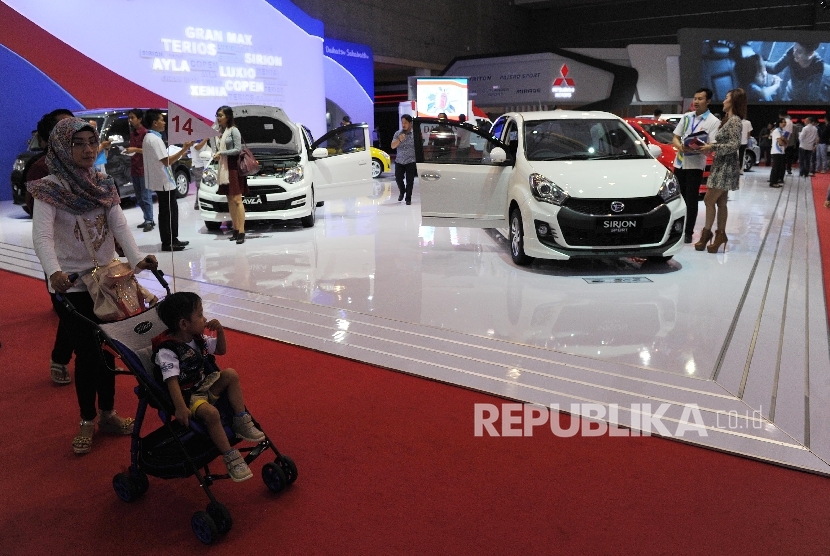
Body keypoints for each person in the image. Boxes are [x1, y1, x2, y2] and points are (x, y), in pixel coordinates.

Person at [30, 117, 159, 454]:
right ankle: (87, 418)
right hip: (72, 286)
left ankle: (109, 414)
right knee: (87, 355)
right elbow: (42, 238)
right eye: (79, 143)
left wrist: (136, 259)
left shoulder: (102, 182)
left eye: (92, 142)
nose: (88, 149)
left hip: (109, 280)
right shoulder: (49, 188)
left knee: (109, 350)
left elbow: (119, 226)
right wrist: (53, 272)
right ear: (61, 146)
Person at [153, 291, 265, 482]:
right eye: (199, 314)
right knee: (212, 414)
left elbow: (221, 350)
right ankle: (230, 456)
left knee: (230, 374)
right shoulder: (167, 351)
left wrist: (220, 331)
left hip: (204, 385)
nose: (204, 318)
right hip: (189, 396)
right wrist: (180, 407)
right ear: (183, 324)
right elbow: (171, 381)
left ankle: (241, 419)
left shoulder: (196, 338)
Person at [23, 109, 76, 384]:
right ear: (48, 138)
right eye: (64, 126)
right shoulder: (40, 169)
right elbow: (41, 223)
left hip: (91, 250)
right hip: (61, 253)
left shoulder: (84, 162)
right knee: (70, 310)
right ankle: (60, 357)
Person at [695, 88, 747, 254]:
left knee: (708, 200)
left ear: (733, 101)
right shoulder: (728, 119)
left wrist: (713, 146)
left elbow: (734, 145)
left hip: (725, 167)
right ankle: (719, 235)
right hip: (722, 164)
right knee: (721, 202)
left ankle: (708, 233)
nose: (723, 101)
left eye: (726, 98)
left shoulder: (735, 121)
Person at [672, 87, 722, 244]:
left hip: (695, 164)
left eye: (700, 99)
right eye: (695, 98)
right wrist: (680, 146)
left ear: (708, 101)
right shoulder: (687, 117)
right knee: (677, 198)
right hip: (679, 162)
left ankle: (688, 231)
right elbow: (675, 137)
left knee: (691, 199)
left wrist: (699, 147)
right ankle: (675, 228)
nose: (696, 102)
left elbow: (713, 145)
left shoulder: (713, 121)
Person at [142, 109, 193, 252]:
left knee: (167, 211)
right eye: (162, 119)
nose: (164, 122)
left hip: (161, 180)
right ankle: (169, 241)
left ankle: (171, 239)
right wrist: (184, 149)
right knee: (168, 212)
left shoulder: (149, 138)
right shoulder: (155, 139)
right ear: (155, 122)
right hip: (164, 180)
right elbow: (167, 161)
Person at [212, 106, 249, 244]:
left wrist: (222, 153)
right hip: (224, 168)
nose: (218, 118)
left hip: (234, 168)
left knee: (237, 200)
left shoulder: (234, 130)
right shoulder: (220, 132)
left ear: (228, 116)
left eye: (220, 115)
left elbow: (238, 149)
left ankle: (242, 231)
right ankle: (235, 228)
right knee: (230, 200)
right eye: (217, 115)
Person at [765, 42, 830, 103]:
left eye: (799, 52)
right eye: (794, 48)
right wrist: (757, 62)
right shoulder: (791, 52)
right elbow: (775, 68)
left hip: (804, 100)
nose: (794, 53)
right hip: (788, 96)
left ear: (811, 54)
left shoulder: (818, 65)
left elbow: (813, 95)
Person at [126, 109, 154, 232]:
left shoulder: (146, 133)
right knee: (138, 197)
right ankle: (146, 218)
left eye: (132, 117)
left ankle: (150, 220)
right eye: (130, 118)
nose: (130, 120)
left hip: (144, 169)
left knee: (146, 196)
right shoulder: (132, 133)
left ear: (140, 119)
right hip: (135, 168)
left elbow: (149, 151)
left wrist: (135, 150)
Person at [391, 114, 416, 204]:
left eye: (405, 122)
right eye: (402, 122)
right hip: (399, 160)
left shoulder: (415, 134)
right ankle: (402, 191)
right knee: (398, 179)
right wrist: (400, 140)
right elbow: (392, 146)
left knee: (410, 181)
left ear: (410, 123)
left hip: (411, 161)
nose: (403, 124)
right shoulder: (398, 133)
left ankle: (408, 198)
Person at [190, 137, 211, 210]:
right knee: (200, 186)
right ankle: (197, 204)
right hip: (198, 166)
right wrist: (205, 139)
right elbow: (197, 147)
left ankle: (203, 203)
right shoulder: (195, 137)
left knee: (206, 185)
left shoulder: (202, 137)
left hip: (204, 164)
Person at [769, 118, 788, 188]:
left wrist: (784, 140)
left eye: (785, 122)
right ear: (779, 123)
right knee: (776, 167)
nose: (784, 123)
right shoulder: (776, 131)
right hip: (776, 151)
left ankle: (776, 181)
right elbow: (780, 142)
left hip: (781, 151)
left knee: (779, 167)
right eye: (783, 122)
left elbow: (786, 142)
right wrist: (783, 141)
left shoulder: (783, 131)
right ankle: (773, 182)